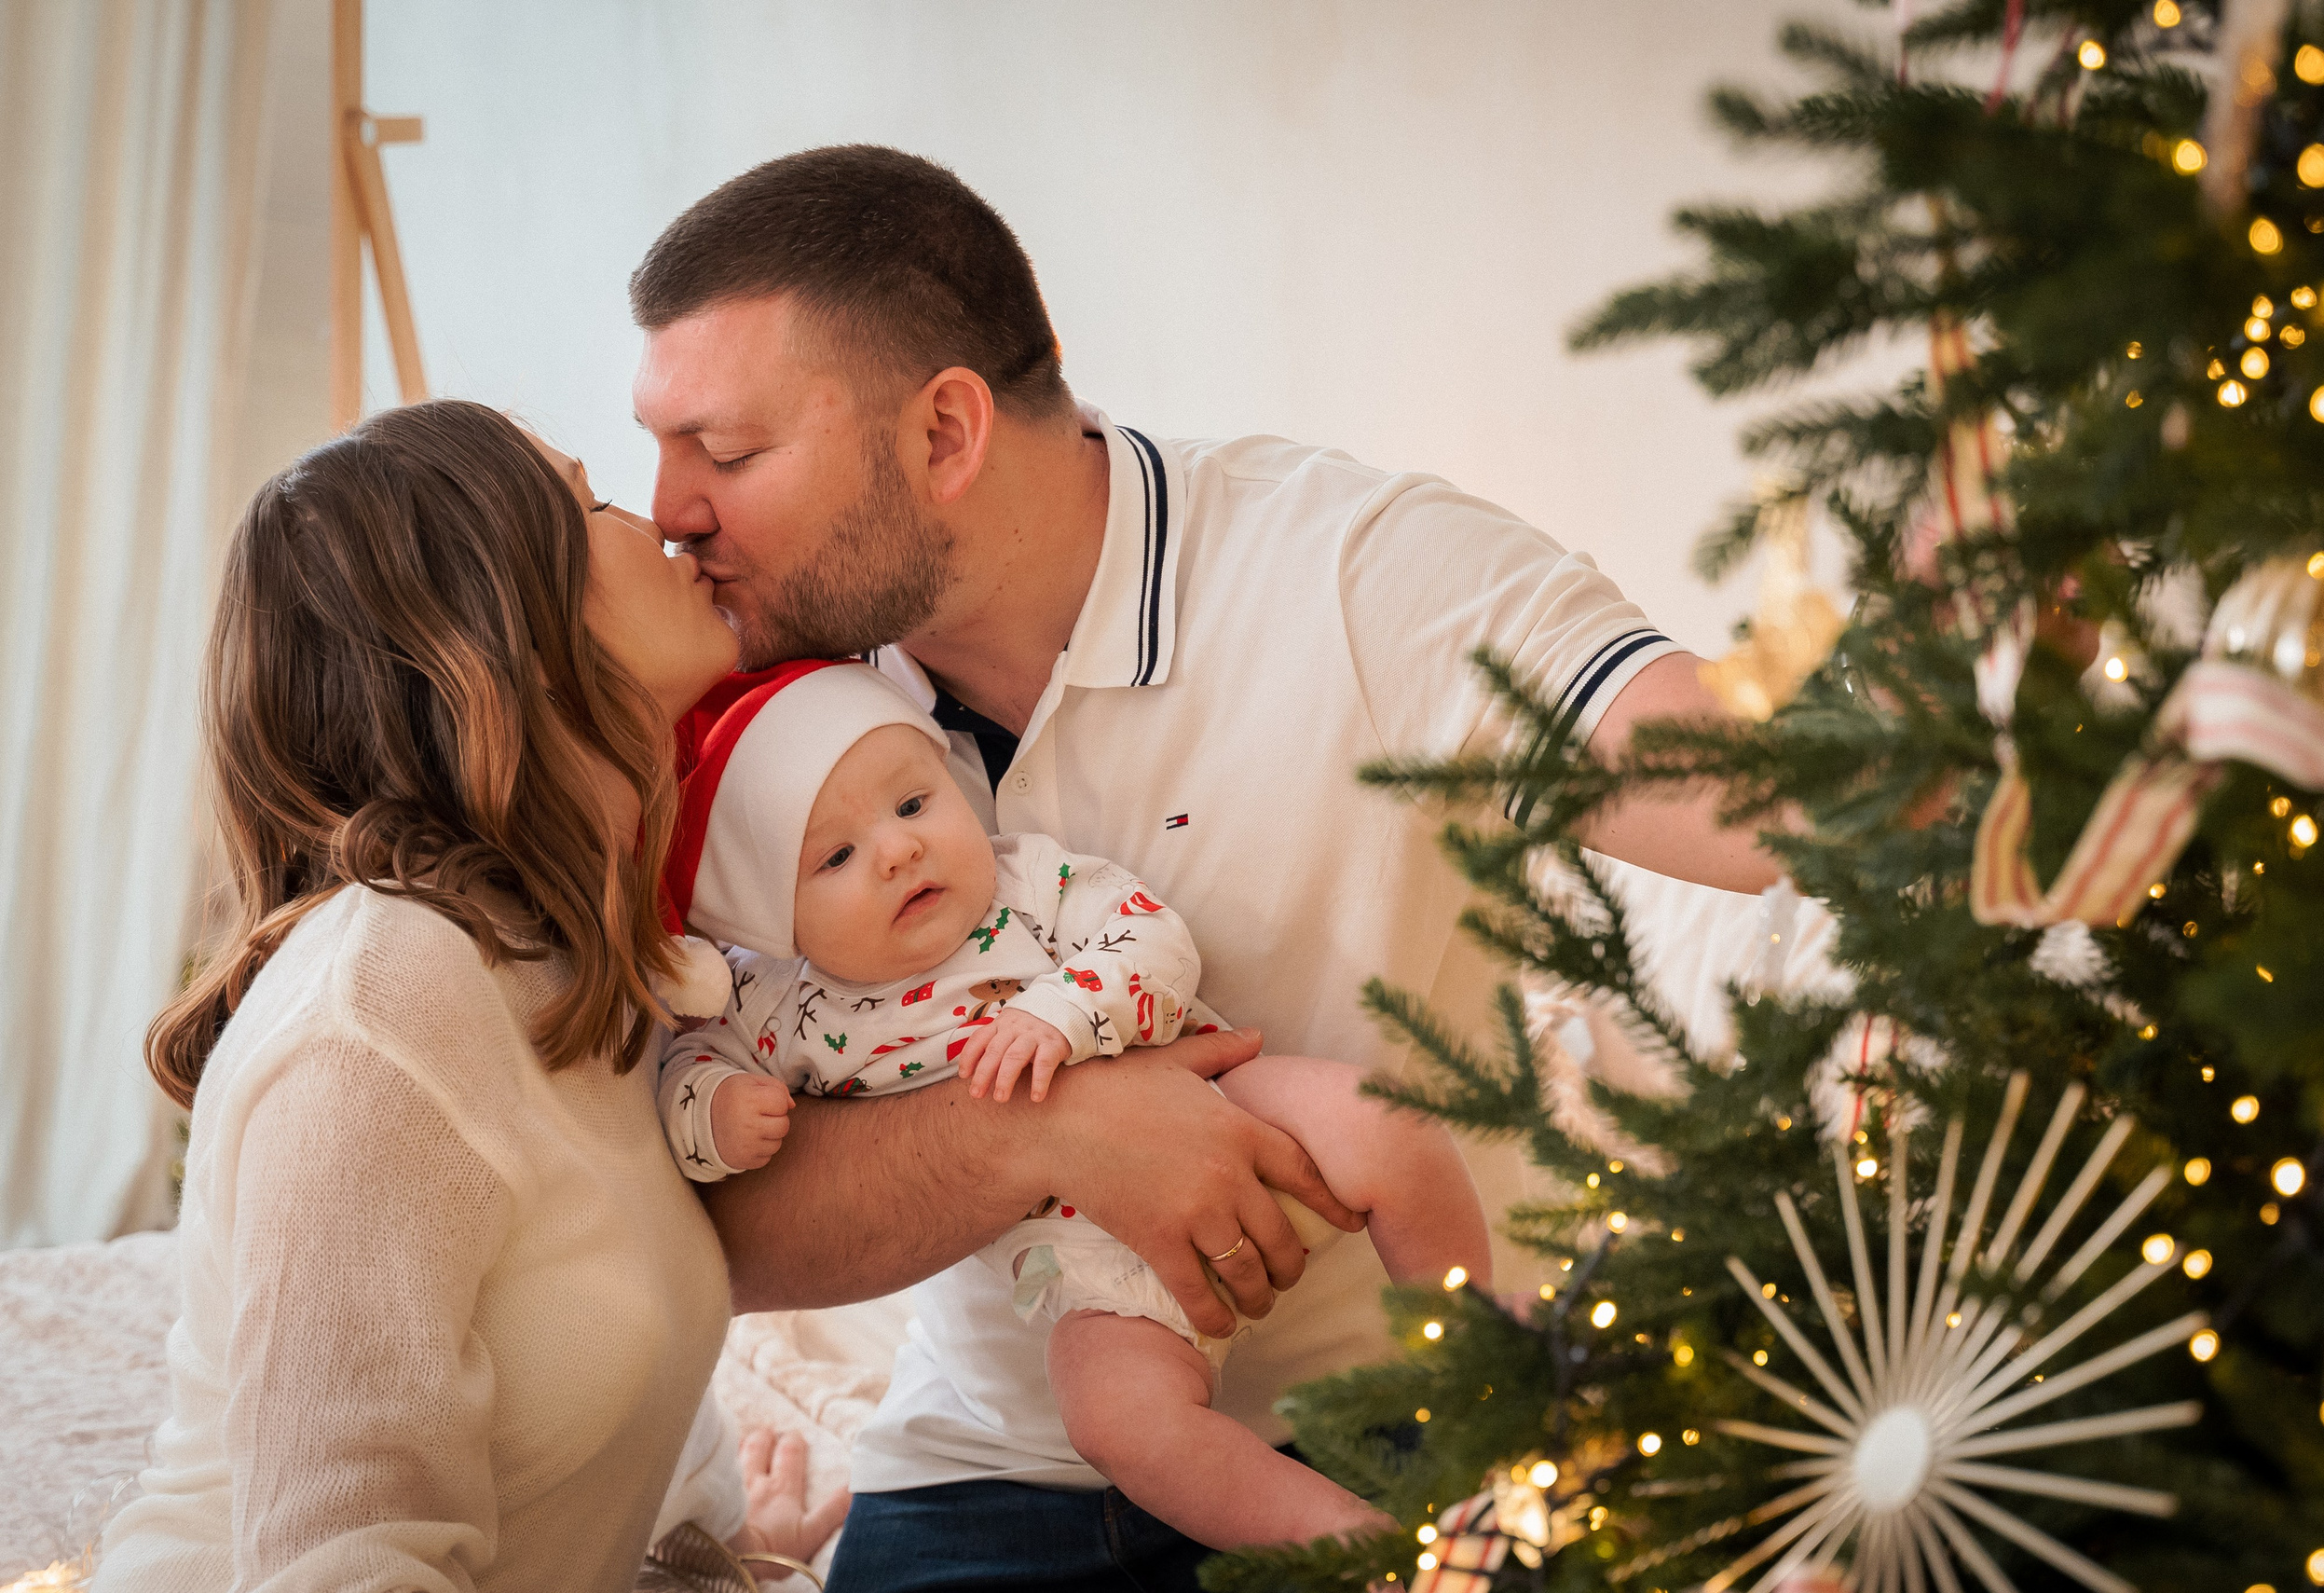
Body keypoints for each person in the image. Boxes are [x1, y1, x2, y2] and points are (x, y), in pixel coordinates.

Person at [626, 145, 1784, 1591]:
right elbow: (726, 1236)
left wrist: (1946, 673)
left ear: (942, 434)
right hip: (996, 1454)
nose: (672, 510)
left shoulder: (1352, 572)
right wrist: (1055, 1130)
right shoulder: (753, 712)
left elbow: (1745, 803)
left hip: (1402, 1423)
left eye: (724, 455)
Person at [97, 402, 841, 1590]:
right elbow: (345, 1566)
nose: (658, 521)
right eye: (594, 503)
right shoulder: (388, 998)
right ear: (509, 625)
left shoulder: (573, 959)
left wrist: (699, 1555)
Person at [652, 656, 1490, 1549]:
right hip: (1082, 1260)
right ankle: (1375, 1552)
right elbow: (687, 1075)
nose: (898, 849)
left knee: (1388, 1126)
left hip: (1215, 1103)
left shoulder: (1029, 885)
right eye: (837, 855)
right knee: (1118, 1424)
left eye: (912, 804)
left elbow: (1153, 938)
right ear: (770, 924)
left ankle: (1493, 1378)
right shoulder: (780, 1006)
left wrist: (1064, 1012)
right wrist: (716, 1111)